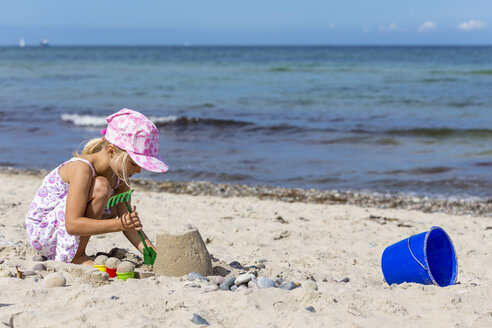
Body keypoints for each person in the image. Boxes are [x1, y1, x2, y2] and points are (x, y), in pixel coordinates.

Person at [25, 108, 168, 265]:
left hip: (62, 228)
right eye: (134, 163)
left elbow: (130, 226)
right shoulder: (82, 168)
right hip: (43, 232)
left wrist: (154, 255)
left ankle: (76, 252)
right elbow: (72, 225)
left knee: (116, 206)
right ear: (111, 151)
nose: (139, 170)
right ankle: (76, 256)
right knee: (102, 187)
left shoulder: (120, 176)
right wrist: (119, 224)